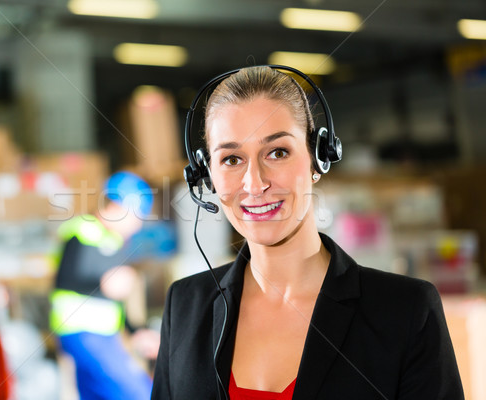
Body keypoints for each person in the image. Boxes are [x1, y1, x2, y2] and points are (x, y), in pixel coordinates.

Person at [151, 66, 464, 399]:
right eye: (231, 159)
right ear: (207, 175)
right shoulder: (185, 305)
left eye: (278, 152)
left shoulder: (405, 311)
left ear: (318, 158)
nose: (255, 184)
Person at [49, 171, 159, 400]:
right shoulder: (83, 230)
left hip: (103, 336)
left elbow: (114, 300)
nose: (137, 226)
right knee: (140, 394)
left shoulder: (115, 242)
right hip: (82, 333)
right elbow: (64, 279)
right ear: (119, 207)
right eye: (137, 217)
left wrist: (136, 331)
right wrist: (103, 283)